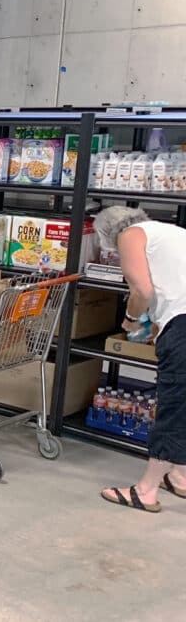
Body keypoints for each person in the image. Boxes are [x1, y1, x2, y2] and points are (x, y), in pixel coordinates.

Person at [95, 206, 186, 512]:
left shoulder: (130, 235)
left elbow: (142, 290)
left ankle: (146, 491)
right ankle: (181, 475)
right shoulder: (172, 233)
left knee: (173, 405)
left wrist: (132, 318)